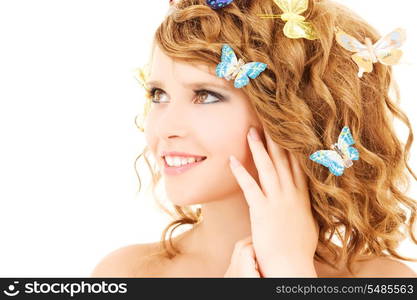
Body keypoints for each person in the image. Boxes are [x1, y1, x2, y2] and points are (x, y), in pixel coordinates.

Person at [91, 0, 417, 277]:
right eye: (158, 94)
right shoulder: (127, 273)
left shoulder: (383, 278)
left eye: (205, 95)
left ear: (294, 112)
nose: (164, 127)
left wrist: (290, 270)